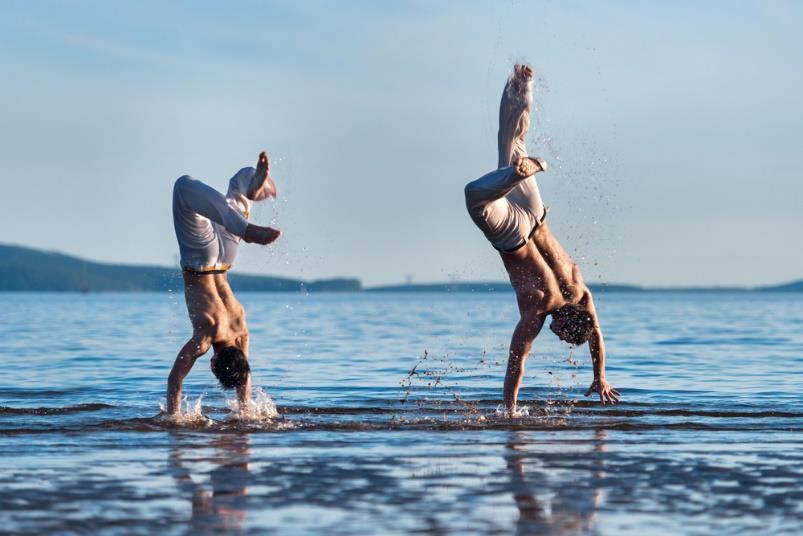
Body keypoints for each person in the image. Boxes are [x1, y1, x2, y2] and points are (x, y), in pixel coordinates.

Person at [464, 64, 620, 414]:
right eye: (565, 336)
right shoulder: (539, 308)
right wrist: (509, 409)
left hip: (537, 215)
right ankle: (508, 176)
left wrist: (601, 375)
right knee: (474, 196)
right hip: (512, 236)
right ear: (565, 321)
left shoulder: (581, 291)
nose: (560, 338)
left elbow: (595, 332)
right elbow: (516, 360)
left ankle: (524, 84)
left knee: (512, 141)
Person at [166, 151, 280, 415]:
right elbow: (175, 379)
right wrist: (173, 419)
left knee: (239, 186)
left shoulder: (242, 329)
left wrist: (245, 410)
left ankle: (252, 189)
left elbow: (245, 376)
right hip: (199, 259)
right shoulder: (207, 335)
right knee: (183, 187)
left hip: (226, 258)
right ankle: (247, 228)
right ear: (213, 364)